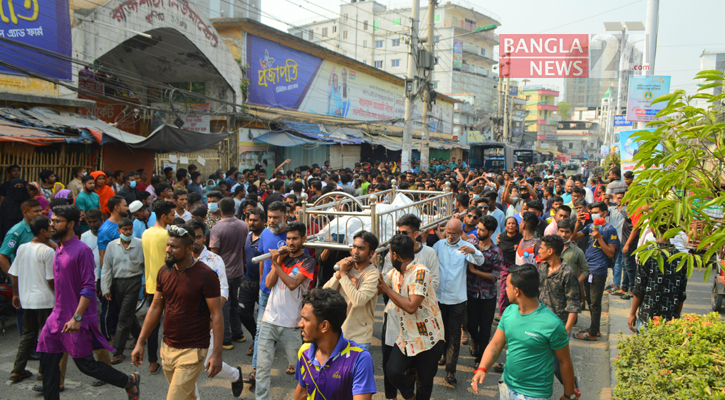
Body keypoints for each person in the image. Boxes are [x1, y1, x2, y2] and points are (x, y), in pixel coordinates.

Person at [37, 206, 140, 400]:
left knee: (87, 365)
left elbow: (88, 287)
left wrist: (77, 317)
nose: (51, 224)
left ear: (71, 224)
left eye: (56, 221)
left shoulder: (82, 250)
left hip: (76, 318)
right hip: (56, 318)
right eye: (51, 220)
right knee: (49, 364)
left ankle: (128, 381)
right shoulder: (58, 247)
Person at [132, 224, 223, 400]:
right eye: (168, 245)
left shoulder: (206, 275)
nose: (168, 250)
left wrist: (217, 353)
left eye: (174, 247)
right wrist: (140, 342)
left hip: (193, 350)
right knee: (187, 396)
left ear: (189, 249)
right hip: (167, 348)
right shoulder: (164, 272)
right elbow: (156, 307)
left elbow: (217, 314)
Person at [471, 264, 579, 400]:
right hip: (506, 387)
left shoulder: (553, 324)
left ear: (517, 291)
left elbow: (564, 361)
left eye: (507, 286)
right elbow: (496, 344)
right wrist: (482, 368)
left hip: (534, 395)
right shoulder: (509, 312)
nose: (504, 289)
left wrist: (569, 394)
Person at [380, 214, 440, 400]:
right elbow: (377, 286)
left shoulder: (420, 271)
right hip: (406, 336)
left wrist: (387, 290)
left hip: (428, 337)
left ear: (395, 255)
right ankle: (409, 396)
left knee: (424, 381)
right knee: (392, 371)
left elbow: (412, 306)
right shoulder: (395, 273)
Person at [255, 222, 317, 400]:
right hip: (269, 320)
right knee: (262, 368)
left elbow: (292, 284)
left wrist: (276, 264)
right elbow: (267, 284)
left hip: (291, 323)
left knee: (302, 367)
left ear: (303, 239)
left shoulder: (308, 261)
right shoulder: (282, 259)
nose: (290, 242)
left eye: (294, 238)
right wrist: (278, 262)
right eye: (288, 238)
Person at [186, 219, 244, 399]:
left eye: (199, 237)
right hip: (185, 323)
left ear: (205, 238)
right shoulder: (180, 261)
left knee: (209, 364)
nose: (196, 241)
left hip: (208, 321)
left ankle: (235, 375)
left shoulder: (214, 260)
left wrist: (213, 316)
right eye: (192, 237)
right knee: (188, 368)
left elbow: (223, 290)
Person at [295, 288, 376, 400]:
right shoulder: (305, 351)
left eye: (306, 319)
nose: (300, 324)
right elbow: (302, 393)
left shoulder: (359, 359)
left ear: (324, 326)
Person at [432, 218, 484, 385]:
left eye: (454, 234)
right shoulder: (439, 246)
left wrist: (473, 251)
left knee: (454, 334)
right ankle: (443, 356)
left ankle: (450, 371)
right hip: (439, 297)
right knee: (441, 332)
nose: (450, 236)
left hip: (456, 299)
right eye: (448, 232)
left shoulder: (465, 247)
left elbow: (480, 260)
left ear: (460, 232)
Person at [247, 201, 290, 385]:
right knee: (260, 332)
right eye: (270, 217)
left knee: (290, 329)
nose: (272, 221)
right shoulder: (264, 233)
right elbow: (263, 262)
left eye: (276, 218)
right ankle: (256, 370)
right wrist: (260, 286)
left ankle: (295, 362)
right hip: (266, 290)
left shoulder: (292, 235)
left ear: (285, 217)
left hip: (287, 292)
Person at [8, 216, 55, 383]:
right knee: (46, 335)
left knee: (28, 335)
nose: (52, 229)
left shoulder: (22, 248)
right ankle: (43, 370)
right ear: (42, 231)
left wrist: (16, 294)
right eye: (49, 228)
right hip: (45, 300)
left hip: (28, 299)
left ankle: (17, 369)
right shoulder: (48, 251)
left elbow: (14, 274)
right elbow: (51, 280)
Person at [537, 235, 582, 387]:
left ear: (550, 251)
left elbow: (573, 304)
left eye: (542, 248)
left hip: (558, 327)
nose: (539, 250)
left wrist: (566, 330)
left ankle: (573, 390)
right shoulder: (542, 268)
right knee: (540, 364)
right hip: (540, 324)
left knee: (558, 367)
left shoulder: (567, 273)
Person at [323, 231, 379, 350]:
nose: (355, 251)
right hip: (337, 334)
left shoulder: (373, 274)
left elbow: (358, 300)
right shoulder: (347, 268)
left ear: (372, 253)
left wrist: (343, 275)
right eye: (354, 247)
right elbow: (325, 293)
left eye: (361, 248)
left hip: (359, 338)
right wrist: (338, 275)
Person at [572, 201, 619, 342]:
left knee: (595, 302)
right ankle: (595, 328)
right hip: (587, 268)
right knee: (590, 300)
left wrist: (599, 238)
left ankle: (592, 333)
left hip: (598, 269)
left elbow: (611, 253)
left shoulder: (610, 229)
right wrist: (577, 223)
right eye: (591, 212)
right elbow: (573, 237)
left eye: (596, 212)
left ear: (604, 213)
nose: (593, 214)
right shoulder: (590, 226)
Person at [628, 225, 688, 333]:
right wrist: (677, 317)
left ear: (654, 229)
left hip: (648, 316)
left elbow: (639, 289)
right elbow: (681, 294)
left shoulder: (646, 254)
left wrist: (632, 313)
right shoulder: (680, 258)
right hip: (670, 318)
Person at [101, 217, 144, 365]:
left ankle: (117, 351)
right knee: (128, 314)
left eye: (129, 229)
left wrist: (146, 286)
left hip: (134, 281)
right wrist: (105, 287)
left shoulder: (139, 244)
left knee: (124, 316)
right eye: (124, 229)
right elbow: (107, 267)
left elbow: (146, 265)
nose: (127, 232)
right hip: (118, 283)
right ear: (119, 231)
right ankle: (141, 338)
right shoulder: (112, 246)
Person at [140, 200, 176, 374]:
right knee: (171, 323)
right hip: (168, 285)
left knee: (153, 325)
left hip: (150, 286)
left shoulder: (146, 233)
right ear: (164, 216)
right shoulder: (166, 235)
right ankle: (172, 359)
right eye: (172, 215)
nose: (174, 217)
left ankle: (152, 362)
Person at [209, 197, 249, 349]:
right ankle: (238, 333)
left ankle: (226, 339)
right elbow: (245, 249)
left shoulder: (217, 228)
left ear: (219, 210)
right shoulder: (243, 226)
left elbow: (214, 253)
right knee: (235, 303)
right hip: (238, 271)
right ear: (234, 210)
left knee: (222, 307)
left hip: (222, 274)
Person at [467, 215, 503, 366]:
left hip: (488, 295)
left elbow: (495, 276)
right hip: (471, 292)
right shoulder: (472, 245)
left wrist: (475, 271)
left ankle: (480, 358)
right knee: (471, 325)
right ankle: (474, 341)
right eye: (478, 228)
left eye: (482, 230)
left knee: (485, 328)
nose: (479, 232)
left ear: (491, 232)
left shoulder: (496, 251)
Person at [239, 208, 265, 357]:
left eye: (255, 220)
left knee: (264, 318)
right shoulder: (248, 236)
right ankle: (257, 338)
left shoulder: (266, 237)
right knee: (242, 313)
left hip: (263, 283)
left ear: (263, 221)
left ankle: (260, 342)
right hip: (248, 281)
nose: (252, 223)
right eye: (250, 220)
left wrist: (263, 284)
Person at [557, 218, 589, 310]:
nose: (564, 234)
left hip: (570, 291)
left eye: (567, 232)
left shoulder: (577, 251)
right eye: (561, 231)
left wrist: (576, 282)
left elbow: (585, 270)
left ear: (571, 233)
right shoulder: (550, 248)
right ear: (557, 231)